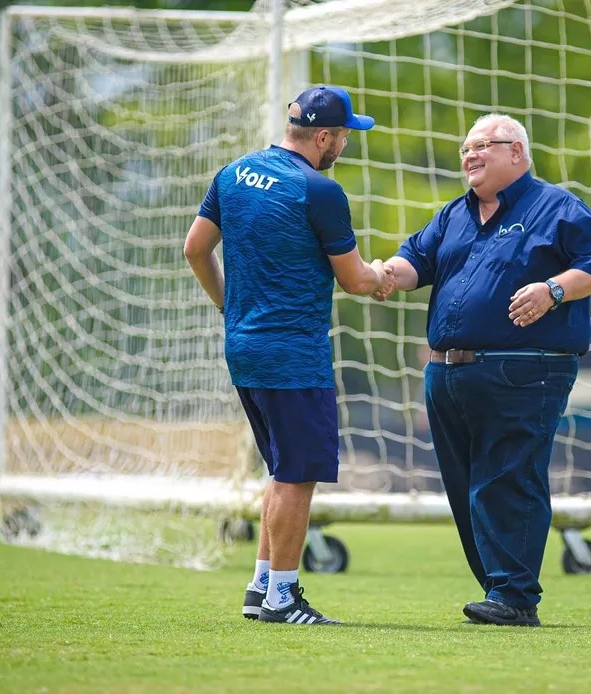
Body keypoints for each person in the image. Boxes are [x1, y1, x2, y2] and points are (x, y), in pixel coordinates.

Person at [372, 114, 591, 627]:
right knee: (466, 486)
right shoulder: (455, 214)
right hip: (449, 373)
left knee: (509, 477)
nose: (470, 155)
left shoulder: (556, 206)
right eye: (465, 148)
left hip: (525, 371)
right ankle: (499, 587)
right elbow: (416, 261)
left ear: (517, 153)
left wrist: (552, 291)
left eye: (483, 145)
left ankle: (515, 597)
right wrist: (384, 272)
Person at [184, 85, 395, 626]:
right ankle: (283, 596)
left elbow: (195, 249)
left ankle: (260, 588)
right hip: (293, 353)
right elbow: (352, 280)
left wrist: (230, 307)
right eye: (344, 135)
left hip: (244, 347)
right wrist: (380, 275)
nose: (345, 144)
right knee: (297, 475)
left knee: (280, 471)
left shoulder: (233, 174)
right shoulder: (319, 191)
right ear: (323, 136)